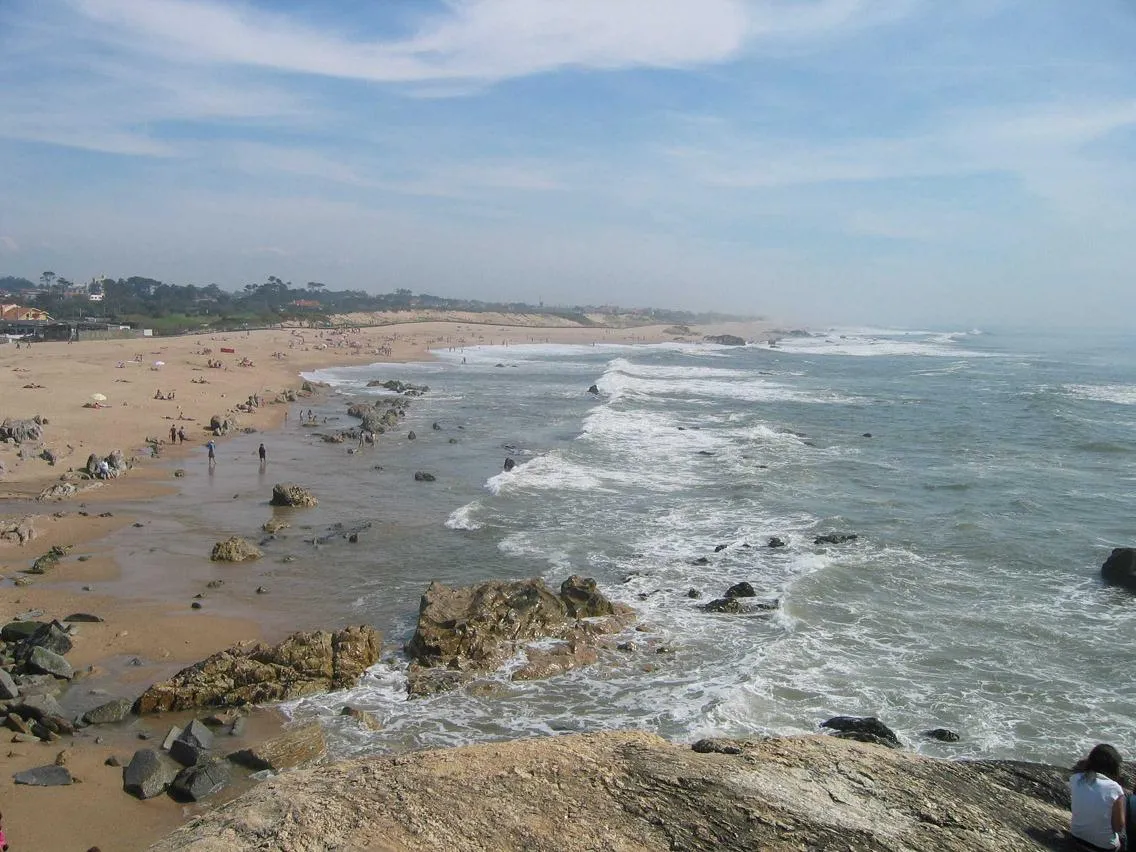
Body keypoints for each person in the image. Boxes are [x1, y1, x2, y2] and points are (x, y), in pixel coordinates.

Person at [1069, 743, 1125, 851]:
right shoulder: (1115, 788)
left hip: (1077, 837)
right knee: (1125, 838)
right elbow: (1118, 827)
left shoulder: (1075, 778)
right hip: (1104, 847)